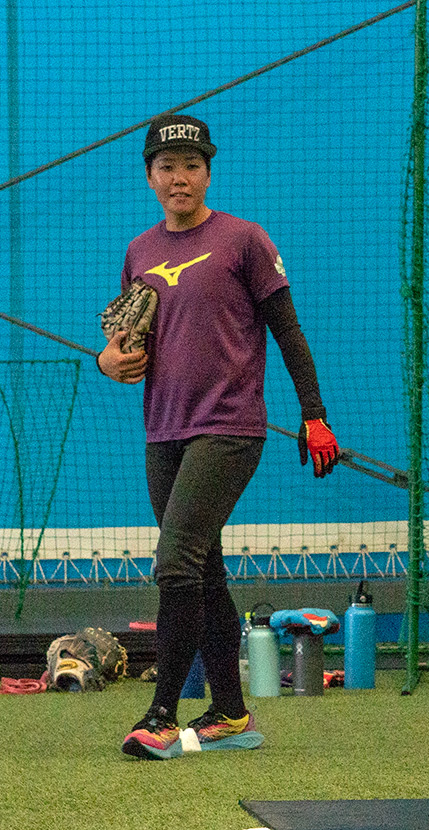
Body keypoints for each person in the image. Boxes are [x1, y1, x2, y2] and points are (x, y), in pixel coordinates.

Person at [103, 114, 341, 759]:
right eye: (167, 167)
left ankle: (160, 714)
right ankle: (231, 713)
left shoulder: (243, 240)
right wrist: (109, 360)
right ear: (150, 175)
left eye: (192, 166)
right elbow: (124, 345)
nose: (179, 178)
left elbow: (289, 334)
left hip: (229, 427)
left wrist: (313, 414)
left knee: (175, 559)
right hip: (163, 429)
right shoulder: (139, 251)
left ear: (208, 172)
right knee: (202, 569)